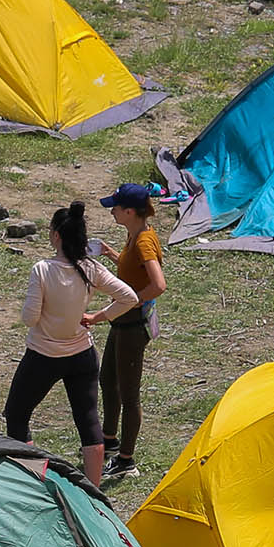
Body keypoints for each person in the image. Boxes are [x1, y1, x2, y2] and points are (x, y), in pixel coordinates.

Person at [2, 202, 137, 488]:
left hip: (43, 355)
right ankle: (94, 494)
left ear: (56, 235)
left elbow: (29, 318)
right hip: (81, 355)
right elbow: (129, 297)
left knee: (17, 415)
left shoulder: (42, 270)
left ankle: (33, 483)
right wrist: (99, 316)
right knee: (88, 421)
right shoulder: (90, 268)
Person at [96, 183, 168, 481]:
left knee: (129, 394)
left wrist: (131, 301)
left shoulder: (143, 242)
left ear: (129, 211)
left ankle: (126, 460)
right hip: (122, 322)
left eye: (115, 206)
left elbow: (158, 284)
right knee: (107, 379)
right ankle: (109, 440)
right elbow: (131, 269)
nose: (111, 210)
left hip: (131, 325)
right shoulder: (137, 233)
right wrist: (110, 253)